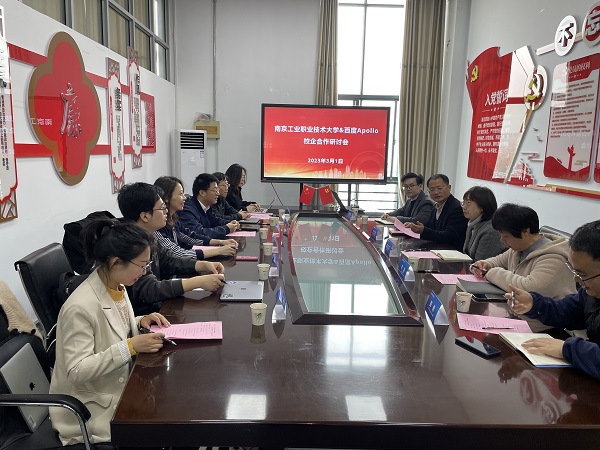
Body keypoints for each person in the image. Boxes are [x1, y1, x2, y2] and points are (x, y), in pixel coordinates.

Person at [49, 219, 170, 445]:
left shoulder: (115, 285)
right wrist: (130, 346)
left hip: (120, 386)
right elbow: (76, 370)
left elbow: (112, 326)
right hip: (91, 408)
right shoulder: (80, 306)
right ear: (116, 262)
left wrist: (140, 320)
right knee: (168, 422)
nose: (144, 271)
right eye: (141, 265)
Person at [509, 220, 600, 380]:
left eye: (583, 274)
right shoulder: (591, 293)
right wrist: (535, 304)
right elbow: (567, 311)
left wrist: (567, 349)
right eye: (574, 271)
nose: (576, 280)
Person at [118, 182, 226, 315]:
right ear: (145, 216)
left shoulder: (148, 235)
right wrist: (197, 282)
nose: (166, 212)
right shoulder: (131, 245)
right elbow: (149, 289)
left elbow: (169, 260)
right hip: (144, 316)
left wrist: (202, 265)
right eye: (162, 208)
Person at [470, 203, 576, 330]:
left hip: (544, 327)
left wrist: (492, 272)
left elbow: (528, 288)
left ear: (526, 231)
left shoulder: (554, 257)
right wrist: (484, 264)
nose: (502, 240)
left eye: (506, 236)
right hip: (517, 317)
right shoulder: (519, 248)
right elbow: (498, 260)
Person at [154, 176, 238, 259]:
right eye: (180, 194)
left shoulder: (173, 219)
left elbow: (189, 236)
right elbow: (176, 253)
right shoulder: (158, 226)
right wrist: (218, 250)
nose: (184, 198)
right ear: (167, 198)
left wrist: (220, 242)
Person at [405, 174, 468, 250]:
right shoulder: (435, 206)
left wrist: (424, 230)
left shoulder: (456, 208)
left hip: (451, 251)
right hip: (437, 248)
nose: (436, 192)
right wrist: (414, 226)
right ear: (429, 192)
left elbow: (449, 236)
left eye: (440, 188)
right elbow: (431, 227)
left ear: (449, 187)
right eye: (432, 190)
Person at [179, 173, 240, 239]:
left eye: (217, 190)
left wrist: (230, 223)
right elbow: (198, 232)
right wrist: (226, 228)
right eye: (215, 190)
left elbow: (215, 221)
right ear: (202, 193)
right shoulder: (187, 210)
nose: (218, 193)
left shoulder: (207, 206)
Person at [461, 186, 506, 260]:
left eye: (468, 203)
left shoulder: (491, 231)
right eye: (463, 202)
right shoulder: (472, 223)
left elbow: (481, 263)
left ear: (482, 206)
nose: (463, 207)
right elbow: (466, 253)